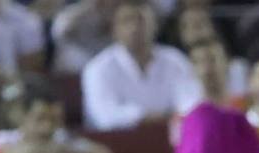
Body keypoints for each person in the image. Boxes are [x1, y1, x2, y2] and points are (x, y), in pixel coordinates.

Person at [81, 0, 201, 131]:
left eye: (141, 20)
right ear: (114, 29)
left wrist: (174, 116)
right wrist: (148, 117)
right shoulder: (98, 68)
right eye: (127, 21)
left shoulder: (175, 60)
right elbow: (105, 116)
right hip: (117, 143)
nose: (135, 27)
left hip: (172, 137)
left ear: (155, 25)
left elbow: (191, 103)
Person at [0, 80, 113, 153]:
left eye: (54, 119)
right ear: (23, 116)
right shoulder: (2, 139)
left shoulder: (62, 137)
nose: (48, 127)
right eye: (40, 118)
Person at [52, 0, 116, 74]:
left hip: (106, 70)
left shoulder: (119, 15)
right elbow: (59, 33)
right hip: (72, 72)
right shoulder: (72, 15)